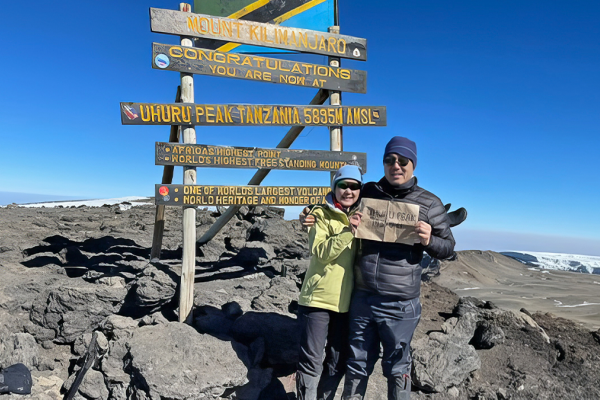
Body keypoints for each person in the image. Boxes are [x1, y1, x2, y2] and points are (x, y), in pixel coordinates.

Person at [301, 137, 455, 400]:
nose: (396, 165)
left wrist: (430, 239)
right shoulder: (368, 192)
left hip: (400, 303)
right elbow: (338, 203)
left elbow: (449, 247)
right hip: (362, 298)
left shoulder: (430, 203)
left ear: (413, 164)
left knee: (397, 369)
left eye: (402, 160)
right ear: (383, 163)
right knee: (357, 365)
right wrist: (311, 213)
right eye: (389, 160)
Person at [296, 164, 363, 400]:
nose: (349, 190)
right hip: (318, 300)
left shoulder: (363, 217)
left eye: (354, 186)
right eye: (343, 185)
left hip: (345, 304)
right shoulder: (319, 215)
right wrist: (348, 232)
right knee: (311, 362)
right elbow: (322, 252)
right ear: (334, 187)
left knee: (337, 362)